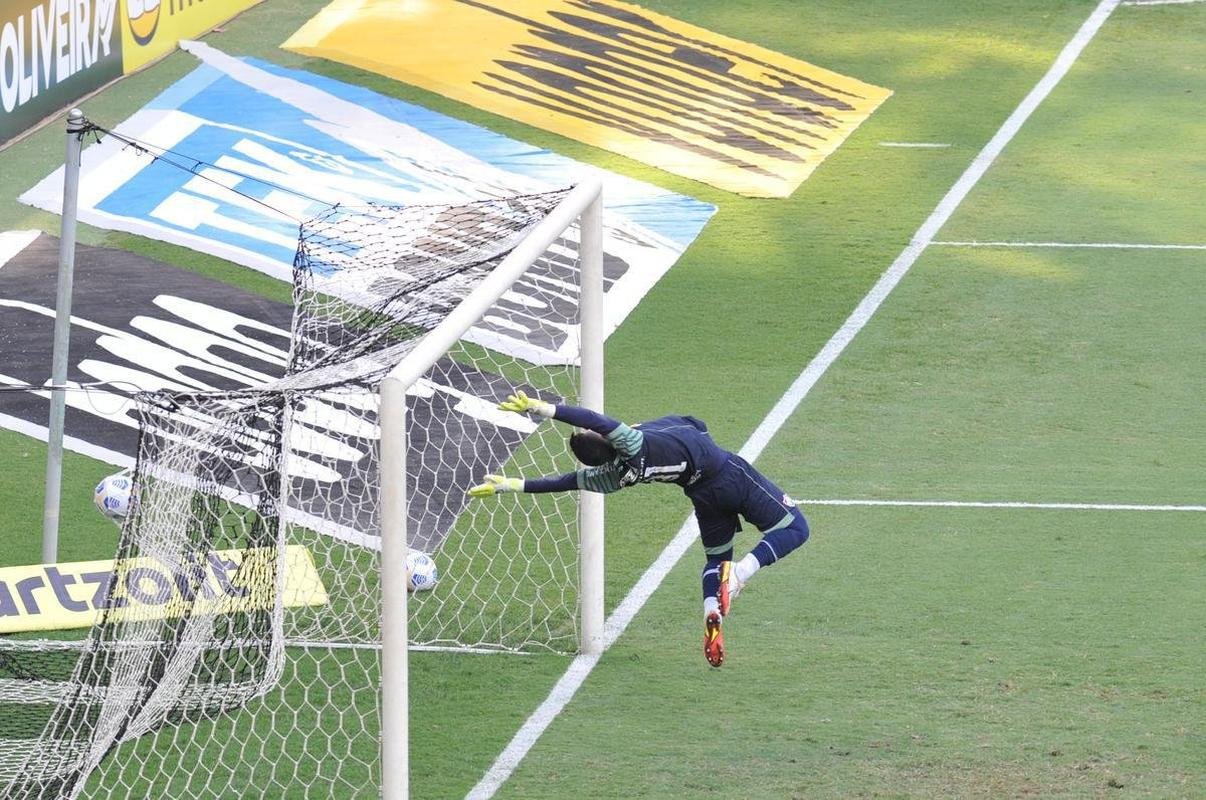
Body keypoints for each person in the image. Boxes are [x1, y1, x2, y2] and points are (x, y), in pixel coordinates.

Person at [467, 391, 810, 667]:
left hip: (703, 496)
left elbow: (566, 481)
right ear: (606, 439)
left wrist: (510, 484)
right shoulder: (631, 442)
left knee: (715, 558)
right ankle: (739, 575)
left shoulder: (613, 477)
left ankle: (712, 610)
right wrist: (540, 408)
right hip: (729, 475)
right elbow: (591, 418)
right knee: (795, 528)